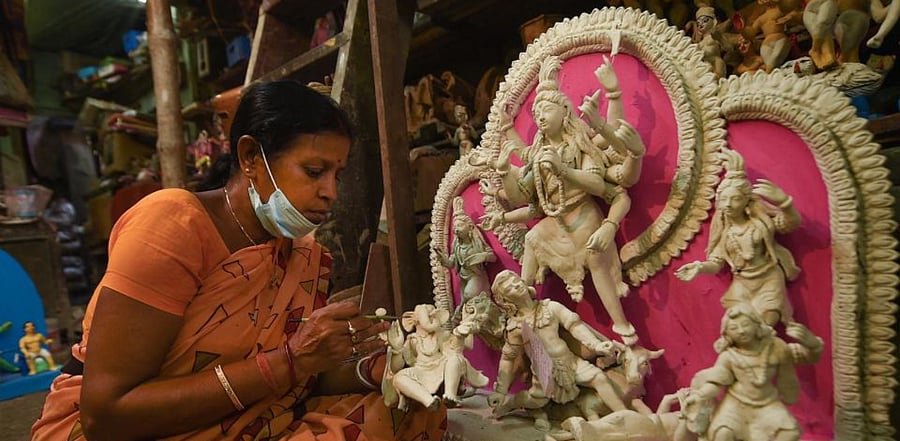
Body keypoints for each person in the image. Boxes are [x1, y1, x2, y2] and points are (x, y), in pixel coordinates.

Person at [32, 81, 446, 441]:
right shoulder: (172, 226)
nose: (330, 193)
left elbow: (305, 374)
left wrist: (379, 370)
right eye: (314, 170)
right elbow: (105, 415)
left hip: (245, 419)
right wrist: (289, 361)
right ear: (250, 157)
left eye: (336, 175)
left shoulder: (304, 255)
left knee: (413, 411)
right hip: (132, 431)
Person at [483, 55, 645, 344]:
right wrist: (506, 166)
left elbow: (597, 183)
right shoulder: (539, 153)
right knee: (533, 238)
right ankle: (524, 302)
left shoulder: (578, 144)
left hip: (583, 214)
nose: (540, 117)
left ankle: (622, 326)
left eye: (545, 109)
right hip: (556, 222)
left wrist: (563, 169)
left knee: (596, 259)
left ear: (565, 110)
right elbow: (522, 191)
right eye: (536, 114)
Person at [674, 149, 801, 327]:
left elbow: (789, 224)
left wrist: (785, 203)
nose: (728, 204)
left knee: (764, 328)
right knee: (739, 329)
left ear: (746, 200)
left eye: (735, 199)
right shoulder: (726, 233)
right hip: (742, 284)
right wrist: (700, 267)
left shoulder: (760, 224)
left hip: (768, 280)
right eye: (724, 199)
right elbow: (716, 262)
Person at [488, 270, 626, 430]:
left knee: (599, 378)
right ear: (506, 300)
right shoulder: (515, 326)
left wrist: (596, 345)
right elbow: (508, 359)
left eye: (516, 280)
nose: (516, 285)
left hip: (569, 361)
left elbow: (575, 326)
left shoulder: (550, 307)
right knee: (535, 400)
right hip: (544, 372)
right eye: (510, 287)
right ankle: (513, 403)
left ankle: (625, 416)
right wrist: (501, 391)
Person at [685, 304, 823, 441]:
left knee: (790, 432)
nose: (741, 331)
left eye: (745, 324)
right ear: (727, 334)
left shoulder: (776, 347)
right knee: (723, 434)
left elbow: (806, 356)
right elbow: (717, 382)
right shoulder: (729, 356)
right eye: (734, 328)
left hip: (768, 404)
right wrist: (700, 395)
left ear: (757, 325)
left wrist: (813, 344)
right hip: (736, 405)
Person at [436, 196, 496, 318]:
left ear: (469, 227)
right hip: (464, 278)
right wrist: (443, 259)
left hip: (476, 276)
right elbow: (452, 263)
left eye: (459, 226)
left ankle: (460, 309)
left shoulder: (477, 242)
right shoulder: (457, 245)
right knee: (469, 304)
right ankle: (462, 310)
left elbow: (492, 257)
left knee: (469, 295)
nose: (456, 230)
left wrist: (481, 256)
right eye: (455, 227)